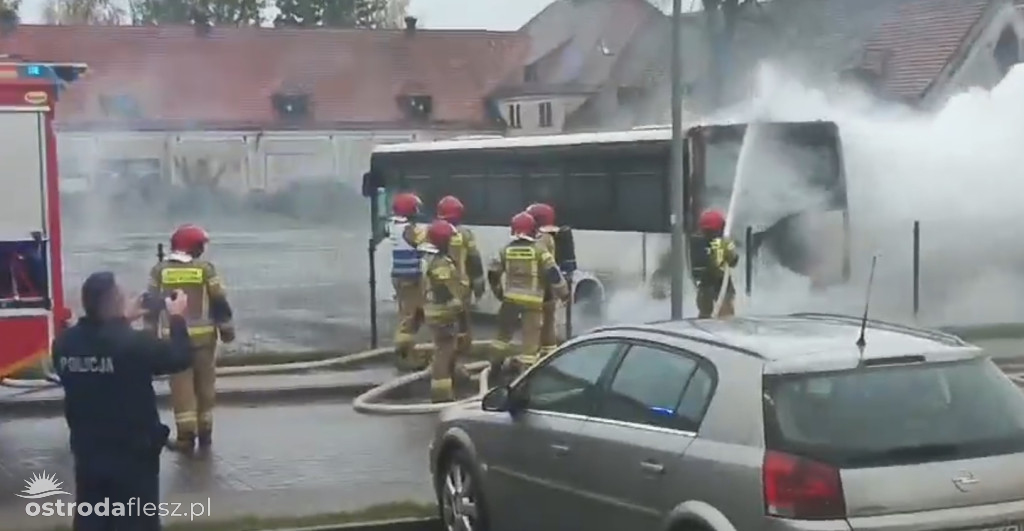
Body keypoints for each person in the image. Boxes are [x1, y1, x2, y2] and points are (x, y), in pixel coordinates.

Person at [53, 272, 192, 531]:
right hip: (133, 457)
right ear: (115, 302)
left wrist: (121, 319)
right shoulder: (135, 344)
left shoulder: (64, 344)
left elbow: (100, 346)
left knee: (91, 520)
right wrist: (177, 317)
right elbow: (180, 357)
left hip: (88, 454)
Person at [146, 224, 235, 453]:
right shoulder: (206, 270)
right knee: (205, 388)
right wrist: (226, 329)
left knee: (182, 390)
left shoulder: (160, 271)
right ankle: (205, 432)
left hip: (174, 343)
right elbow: (219, 301)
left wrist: (149, 338)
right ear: (193, 247)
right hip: (205, 341)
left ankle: (186, 438)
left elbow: (152, 306)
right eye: (200, 245)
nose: (202, 250)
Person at [488, 212, 569, 378]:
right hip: (532, 303)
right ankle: (525, 377)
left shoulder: (506, 249)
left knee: (502, 337)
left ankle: (494, 367)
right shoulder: (539, 251)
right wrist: (564, 293)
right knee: (530, 344)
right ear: (533, 230)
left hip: (510, 301)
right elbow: (553, 274)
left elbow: (492, 272)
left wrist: (498, 292)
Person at [421, 219, 466, 402]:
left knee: (446, 348)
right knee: (443, 351)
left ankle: (453, 378)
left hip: (434, 311)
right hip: (442, 313)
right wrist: (456, 301)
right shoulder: (440, 262)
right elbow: (444, 286)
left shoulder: (429, 258)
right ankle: (441, 394)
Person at [436, 195, 484, 358]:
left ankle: (446, 349)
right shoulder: (464, 234)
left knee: (444, 321)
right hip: (460, 284)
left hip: (439, 283)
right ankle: (462, 350)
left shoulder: (433, 231)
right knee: (463, 318)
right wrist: (478, 280)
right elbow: (474, 258)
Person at [389, 192, 429, 371]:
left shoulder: (392, 226)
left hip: (401, 275)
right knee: (409, 317)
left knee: (416, 313)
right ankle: (403, 355)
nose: (417, 212)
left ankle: (409, 351)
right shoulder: (408, 230)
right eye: (415, 209)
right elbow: (424, 242)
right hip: (409, 278)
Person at [526, 202, 567, 357]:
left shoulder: (540, 239)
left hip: (541, 289)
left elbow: (548, 265)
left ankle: (539, 356)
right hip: (546, 289)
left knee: (537, 327)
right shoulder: (547, 238)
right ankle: (548, 354)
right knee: (547, 325)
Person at [692, 209, 739, 318]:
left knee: (705, 315)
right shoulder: (721, 243)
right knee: (725, 316)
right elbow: (733, 262)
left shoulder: (696, 243)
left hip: (705, 285)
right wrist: (728, 250)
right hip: (720, 283)